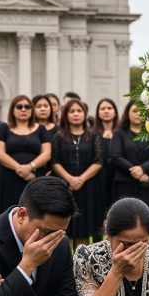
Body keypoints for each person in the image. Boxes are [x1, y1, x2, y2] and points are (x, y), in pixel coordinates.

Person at [111, 100, 149, 242]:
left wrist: (143, 169)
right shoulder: (119, 133)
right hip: (126, 184)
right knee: (126, 223)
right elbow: (115, 156)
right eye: (135, 111)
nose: (138, 114)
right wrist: (134, 171)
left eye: (142, 111)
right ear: (127, 113)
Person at [51, 99, 103, 248]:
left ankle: (83, 267)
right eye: (71, 111)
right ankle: (65, 266)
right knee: (64, 231)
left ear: (85, 114)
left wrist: (81, 179)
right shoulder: (59, 136)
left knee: (84, 232)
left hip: (89, 189)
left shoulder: (94, 136)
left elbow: (99, 161)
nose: (75, 114)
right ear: (65, 115)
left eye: (79, 111)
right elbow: (55, 161)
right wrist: (70, 179)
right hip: (65, 188)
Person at [0, 95, 52, 213]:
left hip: (34, 178)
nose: (23, 109)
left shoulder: (41, 129)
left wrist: (30, 167)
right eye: (19, 106)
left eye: (27, 106)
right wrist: (20, 169)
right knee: (9, 213)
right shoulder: (3, 128)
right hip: (9, 178)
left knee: (35, 212)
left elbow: (47, 154)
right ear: (12, 110)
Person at [93, 97, 118, 220]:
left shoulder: (121, 132)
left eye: (109, 108)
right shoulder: (92, 133)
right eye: (102, 108)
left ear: (115, 112)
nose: (106, 111)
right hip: (98, 177)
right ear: (98, 113)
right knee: (99, 213)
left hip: (117, 177)